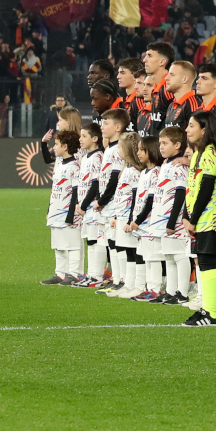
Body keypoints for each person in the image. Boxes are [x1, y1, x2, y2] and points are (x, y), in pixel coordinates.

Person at [181, 110, 216, 327]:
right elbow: (191, 187)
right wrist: (186, 215)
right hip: (201, 218)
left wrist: (192, 218)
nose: (187, 130)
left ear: (204, 129)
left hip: (211, 217)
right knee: (203, 261)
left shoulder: (211, 153)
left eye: (191, 126)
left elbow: (206, 188)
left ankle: (211, 314)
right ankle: (207, 310)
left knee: (208, 261)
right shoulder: (198, 154)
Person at [88, 109, 128, 294]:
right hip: (108, 204)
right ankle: (116, 279)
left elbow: (114, 179)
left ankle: (121, 280)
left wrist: (102, 200)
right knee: (111, 242)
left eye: (106, 123)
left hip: (113, 204)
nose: (102, 127)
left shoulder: (119, 148)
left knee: (116, 242)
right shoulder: (110, 149)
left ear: (118, 127)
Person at [156, 126, 192, 304]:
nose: (161, 147)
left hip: (176, 218)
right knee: (169, 256)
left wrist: (172, 220)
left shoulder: (179, 166)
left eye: (165, 143)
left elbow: (181, 193)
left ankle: (183, 293)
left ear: (178, 145)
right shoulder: (165, 164)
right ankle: (171, 291)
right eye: (160, 143)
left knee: (179, 255)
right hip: (163, 217)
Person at [42, 130, 82, 285]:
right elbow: (55, 190)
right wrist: (49, 210)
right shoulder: (60, 165)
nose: (54, 147)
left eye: (56, 144)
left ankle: (73, 274)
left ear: (65, 147)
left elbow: (76, 192)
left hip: (67, 212)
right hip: (56, 210)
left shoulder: (74, 166)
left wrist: (71, 215)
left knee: (72, 244)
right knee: (58, 244)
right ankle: (60, 273)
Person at [128, 135, 166, 303]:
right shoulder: (143, 172)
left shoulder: (156, 172)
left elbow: (150, 201)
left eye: (142, 149)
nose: (139, 153)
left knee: (153, 257)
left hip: (150, 222)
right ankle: (149, 287)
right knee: (146, 256)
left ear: (152, 150)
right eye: (138, 150)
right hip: (142, 223)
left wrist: (138, 220)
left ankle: (155, 289)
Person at [109, 133, 144, 299]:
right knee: (128, 251)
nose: (119, 151)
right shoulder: (127, 169)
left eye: (121, 148)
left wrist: (132, 219)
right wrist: (117, 216)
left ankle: (138, 285)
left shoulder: (135, 172)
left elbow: (136, 198)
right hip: (122, 216)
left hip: (130, 218)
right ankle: (129, 284)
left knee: (136, 252)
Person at [74, 122, 105, 287]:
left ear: (95, 138)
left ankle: (97, 276)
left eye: (84, 136)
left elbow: (95, 184)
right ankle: (91, 274)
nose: (81, 139)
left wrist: (84, 204)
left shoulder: (98, 156)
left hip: (93, 206)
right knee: (90, 240)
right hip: (86, 206)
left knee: (95, 240)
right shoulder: (86, 156)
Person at [140, 42, 176, 136]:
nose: (144, 60)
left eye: (149, 56)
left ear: (162, 62)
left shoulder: (169, 89)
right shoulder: (156, 89)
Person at [113, 58, 147, 132]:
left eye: (122, 73)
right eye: (118, 73)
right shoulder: (128, 99)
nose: (118, 76)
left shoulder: (139, 100)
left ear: (135, 75)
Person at [164, 61, 199, 130]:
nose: (166, 78)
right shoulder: (171, 105)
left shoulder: (193, 105)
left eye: (172, 75)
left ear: (185, 79)